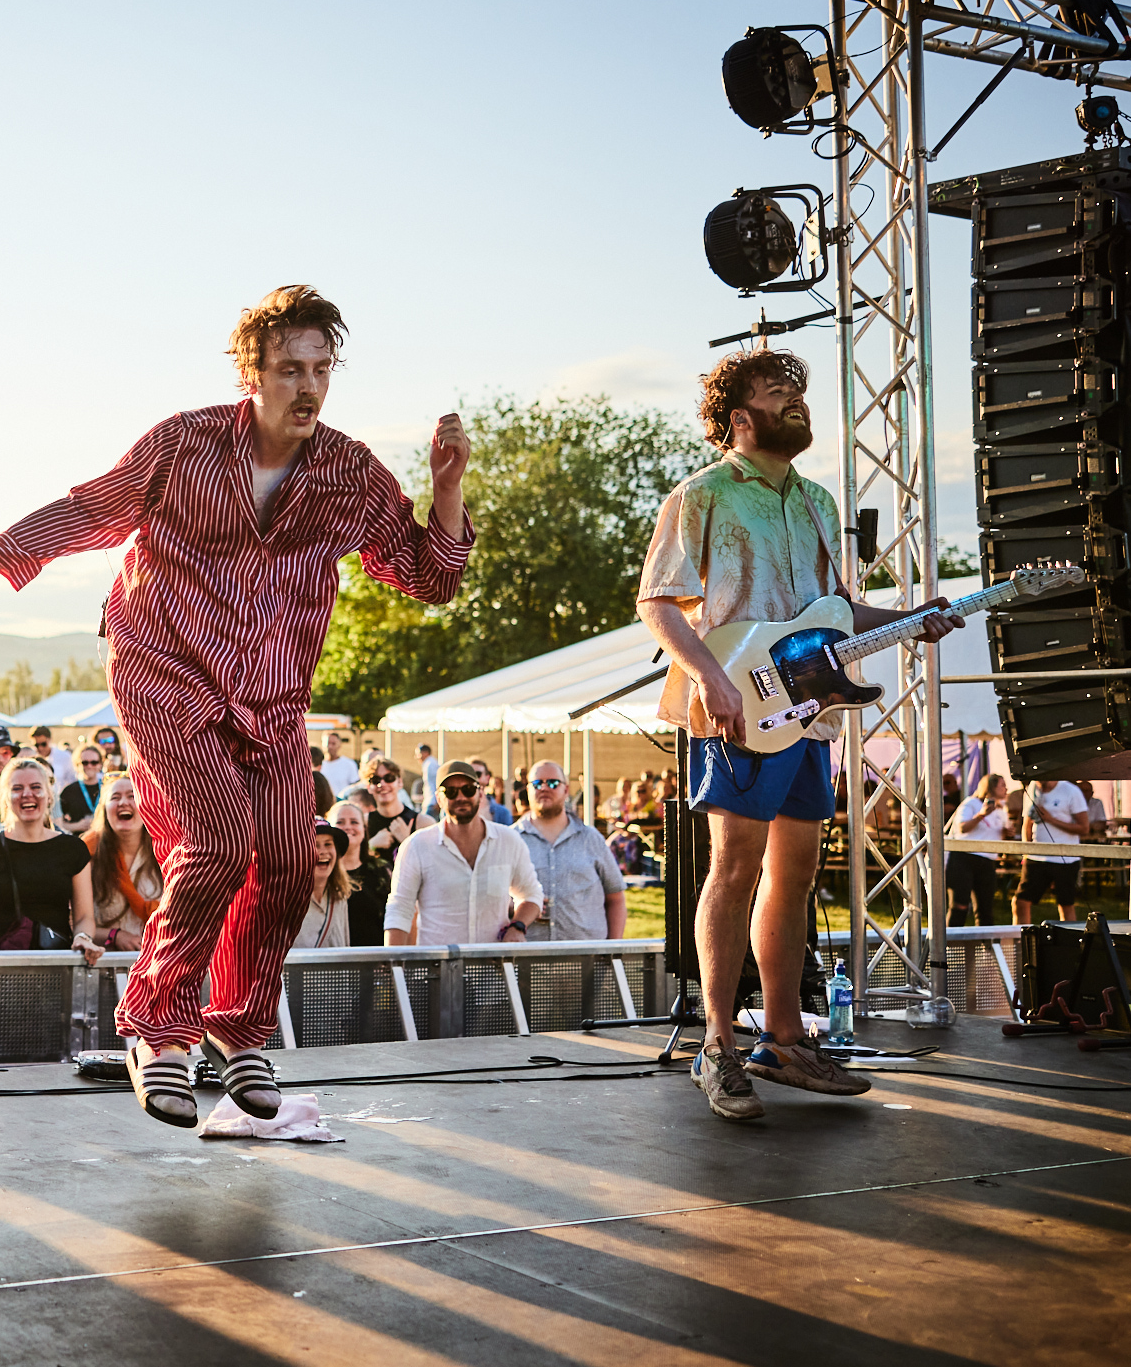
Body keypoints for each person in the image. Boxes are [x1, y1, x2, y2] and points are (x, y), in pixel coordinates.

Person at [0, 286, 472, 1128]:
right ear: (252, 373)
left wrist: (445, 490)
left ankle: (235, 1031)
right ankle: (156, 1028)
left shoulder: (348, 471)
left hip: (271, 696)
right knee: (219, 841)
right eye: (289, 370)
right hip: (163, 669)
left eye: (321, 369)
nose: (307, 387)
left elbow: (430, 576)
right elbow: (91, 510)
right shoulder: (186, 444)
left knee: (279, 857)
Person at [637, 348, 961, 1122]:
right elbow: (658, 601)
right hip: (732, 705)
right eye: (778, 391)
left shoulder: (817, 500)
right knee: (736, 862)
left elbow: (836, 616)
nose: (796, 401)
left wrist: (918, 621)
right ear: (740, 418)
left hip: (807, 713)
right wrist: (712, 681)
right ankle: (718, 1044)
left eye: (799, 391)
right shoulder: (701, 494)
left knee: (796, 869)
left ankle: (783, 1038)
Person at [0, 758, 101, 964]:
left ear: (49, 795)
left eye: (36, 787)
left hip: (58, 962)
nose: (27, 794)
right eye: (17, 788)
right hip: (1, 963)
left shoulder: (72, 849)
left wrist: (83, 937)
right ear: (5, 797)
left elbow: (84, 917)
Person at [385, 765, 543, 947]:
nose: (460, 797)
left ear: (481, 793)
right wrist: (394, 963)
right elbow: (399, 908)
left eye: (468, 790)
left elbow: (531, 894)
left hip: (493, 967)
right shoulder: (417, 846)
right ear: (439, 798)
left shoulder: (508, 841)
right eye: (450, 792)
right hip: (438, 968)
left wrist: (517, 926)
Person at [512, 761, 625, 942]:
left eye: (553, 783)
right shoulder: (510, 840)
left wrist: (614, 949)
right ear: (528, 790)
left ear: (566, 790)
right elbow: (492, 899)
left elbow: (616, 897)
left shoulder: (590, 838)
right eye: (537, 783)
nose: (544, 788)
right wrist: (519, 907)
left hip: (588, 958)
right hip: (527, 957)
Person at [83, 772, 162, 952]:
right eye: (115, 797)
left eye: (132, 796)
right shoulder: (86, 855)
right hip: (104, 966)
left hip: (159, 965)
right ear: (104, 809)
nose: (123, 802)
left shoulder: (167, 855)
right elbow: (76, 925)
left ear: (147, 805)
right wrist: (115, 935)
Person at [1016, 777, 1090, 924]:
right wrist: (1026, 850)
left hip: (1065, 859)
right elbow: (1027, 824)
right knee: (1021, 902)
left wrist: (1051, 819)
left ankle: (1067, 942)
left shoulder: (1071, 791)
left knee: (1065, 905)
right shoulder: (1032, 788)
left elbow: (1084, 828)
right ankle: (1020, 942)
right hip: (1036, 858)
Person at [946, 773, 1008, 928]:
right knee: (960, 905)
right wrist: (982, 815)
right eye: (1002, 785)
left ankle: (985, 947)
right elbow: (962, 827)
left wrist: (1009, 833)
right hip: (964, 858)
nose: (1006, 788)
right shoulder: (971, 803)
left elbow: (1000, 836)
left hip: (987, 860)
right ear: (991, 787)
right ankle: (950, 945)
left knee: (985, 908)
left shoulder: (1002, 809)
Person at [328, 800, 390, 946]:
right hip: (332, 961)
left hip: (374, 961)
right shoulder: (321, 872)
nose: (347, 827)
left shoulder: (382, 870)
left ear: (364, 829)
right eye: (340, 822)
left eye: (354, 822)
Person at [293, 820, 353, 949]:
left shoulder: (340, 897)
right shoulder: (287, 900)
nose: (323, 851)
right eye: (315, 845)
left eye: (328, 844)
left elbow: (345, 948)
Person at [362, 759, 419, 869]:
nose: (382, 784)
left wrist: (406, 841)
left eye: (389, 778)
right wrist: (371, 845)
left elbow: (431, 866)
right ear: (369, 787)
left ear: (400, 782)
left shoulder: (421, 822)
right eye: (375, 780)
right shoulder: (362, 823)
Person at [59, 746, 105, 833]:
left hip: (105, 841)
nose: (89, 766)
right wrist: (76, 826)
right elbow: (57, 821)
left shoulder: (107, 788)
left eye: (94, 762)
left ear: (100, 765)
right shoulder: (69, 791)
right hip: (79, 842)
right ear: (77, 764)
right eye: (85, 762)